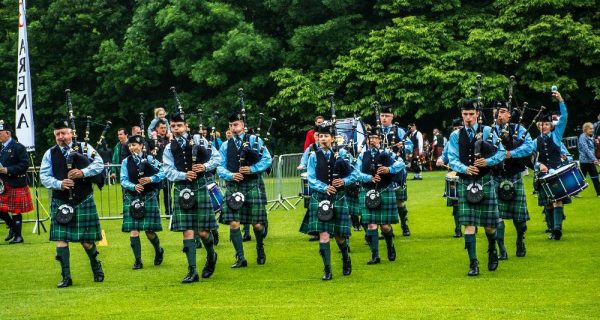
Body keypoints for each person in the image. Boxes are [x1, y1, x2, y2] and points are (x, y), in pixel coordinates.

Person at [40, 120, 105, 288]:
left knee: (86, 241)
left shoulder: (84, 148)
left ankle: (95, 264)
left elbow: (99, 164)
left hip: (83, 199)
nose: (61, 137)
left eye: (64, 133)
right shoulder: (50, 153)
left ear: (71, 133)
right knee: (61, 239)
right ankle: (66, 276)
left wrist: (83, 172)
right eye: (57, 134)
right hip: (61, 200)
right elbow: (44, 176)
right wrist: (59, 183)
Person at [447, 99, 506, 276]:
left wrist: (487, 161)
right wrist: (465, 168)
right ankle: (473, 263)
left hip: (486, 180)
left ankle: (492, 248)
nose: (468, 118)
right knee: (469, 225)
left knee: (490, 227)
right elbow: (452, 158)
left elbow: (501, 152)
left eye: (471, 114)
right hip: (466, 182)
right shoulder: (455, 136)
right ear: (461, 115)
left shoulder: (488, 131)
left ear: (477, 114)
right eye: (465, 114)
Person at [163, 113, 220, 283]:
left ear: (186, 126)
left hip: (200, 186)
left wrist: (204, 166)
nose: (176, 129)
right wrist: (183, 175)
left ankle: (211, 256)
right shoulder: (169, 148)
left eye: (179, 126)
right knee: (187, 230)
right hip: (182, 188)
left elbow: (217, 158)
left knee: (203, 232)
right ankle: (192, 271)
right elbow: (167, 170)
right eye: (173, 126)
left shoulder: (200, 140)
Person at [301, 122, 357, 280]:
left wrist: (344, 182)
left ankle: (345, 257)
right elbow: (310, 178)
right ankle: (327, 270)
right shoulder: (313, 156)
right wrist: (324, 187)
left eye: (326, 136)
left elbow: (355, 173)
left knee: (339, 236)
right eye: (320, 136)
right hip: (320, 197)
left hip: (338, 197)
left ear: (333, 138)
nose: (323, 139)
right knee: (324, 235)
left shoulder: (344, 154)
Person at [218, 110, 272, 268]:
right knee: (234, 223)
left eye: (236, 124)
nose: (233, 128)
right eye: (230, 125)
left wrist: (253, 169)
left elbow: (267, 159)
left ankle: (260, 247)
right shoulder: (225, 145)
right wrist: (230, 175)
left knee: (257, 224)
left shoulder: (255, 140)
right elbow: (219, 166)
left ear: (243, 125)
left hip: (252, 184)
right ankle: (240, 258)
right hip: (234, 186)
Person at [356, 126, 405, 264]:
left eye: (375, 138)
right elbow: (355, 172)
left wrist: (388, 169)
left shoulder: (387, 153)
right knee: (371, 225)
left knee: (384, 226)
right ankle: (375, 255)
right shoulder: (362, 154)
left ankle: (390, 246)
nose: (372, 141)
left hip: (384, 189)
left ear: (380, 139)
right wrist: (368, 178)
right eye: (370, 138)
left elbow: (401, 163)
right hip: (367, 190)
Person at [493, 102, 534, 259]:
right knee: (497, 216)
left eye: (503, 111)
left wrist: (511, 153)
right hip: (496, 176)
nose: (499, 114)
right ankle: (501, 247)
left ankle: (520, 239)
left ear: (510, 115)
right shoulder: (490, 131)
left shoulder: (520, 130)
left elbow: (529, 147)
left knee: (520, 219)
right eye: (497, 112)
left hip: (514, 175)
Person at [120, 135, 166, 270]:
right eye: (129, 145)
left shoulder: (150, 159)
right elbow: (123, 179)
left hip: (148, 196)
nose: (131, 147)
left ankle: (158, 250)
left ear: (141, 146)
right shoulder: (125, 162)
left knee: (149, 231)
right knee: (134, 230)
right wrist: (133, 186)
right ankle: (138, 260)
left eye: (134, 145)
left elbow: (163, 171)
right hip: (132, 196)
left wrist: (151, 179)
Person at [532, 90, 570, 240]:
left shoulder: (556, 135)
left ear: (551, 125)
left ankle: (557, 229)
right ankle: (550, 227)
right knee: (547, 204)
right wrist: (539, 165)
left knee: (557, 200)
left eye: (547, 124)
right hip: (543, 174)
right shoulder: (536, 141)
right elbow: (532, 159)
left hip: (556, 172)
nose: (545, 126)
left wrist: (560, 99)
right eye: (542, 124)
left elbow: (565, 117)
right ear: (539, 126)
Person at [379, 105, 413, 236]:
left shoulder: (398, 131)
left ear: (392, 117)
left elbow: (410, 146)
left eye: (387, 116)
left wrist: (403, 145)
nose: (384, 118)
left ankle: (404, 224)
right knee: (382, 199)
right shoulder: (377, 131)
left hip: (397, 170)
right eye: (382, 115)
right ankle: (386, 228)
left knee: (399, 200)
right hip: (381, 170)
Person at [0, 121, 34, 244]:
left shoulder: (18, 147)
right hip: (3, 184)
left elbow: (24, 165)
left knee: (15, 210)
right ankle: (13, 228)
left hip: (16, 182)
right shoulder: (2, 147)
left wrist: (7, 170)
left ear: (7, 133)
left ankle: (18, 236)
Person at [437, 118, 463, 238]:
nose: (457, 130)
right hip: (454, 174)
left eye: (459, 128)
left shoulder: (471, 139)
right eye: (455, 128)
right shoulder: (450, 142)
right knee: (456, 203)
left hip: (469, 174)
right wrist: (440, 160)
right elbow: (444, 156)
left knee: (473, 200)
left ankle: (473, 226)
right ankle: (458, 229)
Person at [298, 127, 321, 241]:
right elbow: (304, 159)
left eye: (320, 135)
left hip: (326, 181)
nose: (318, 137)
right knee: (314, 207)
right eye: (317, 135)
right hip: (314, 181)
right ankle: (315, 232)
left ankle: (329, 230)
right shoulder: (311, 148)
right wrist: (302, 165)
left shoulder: (332, 148)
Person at [150, 119, 173, 216]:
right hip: (157, 169)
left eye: (165, 128)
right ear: (156, 129)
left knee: (168, 192)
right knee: (156, 192)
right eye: (161, 128)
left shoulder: (170, 139)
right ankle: (157, 211)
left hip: (168, 169)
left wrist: (171, 138)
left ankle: (169, 212)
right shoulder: (152, 140)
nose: (164, 129)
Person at [578, 122, 600, 196]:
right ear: (585, 129)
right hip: (584, 161)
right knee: (581, 178)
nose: (592, 130)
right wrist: (594, 159)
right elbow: (586, 150)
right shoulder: (582, 137)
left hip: (590, 160)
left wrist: (596, 142)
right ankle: (574, 193)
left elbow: (593, 148)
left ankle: (599, 193)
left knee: (595, 176)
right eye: (590, 128)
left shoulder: (591, 136)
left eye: (592, 128)